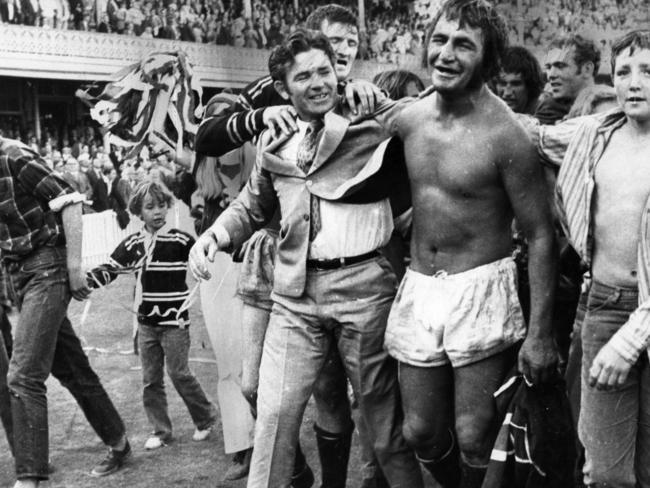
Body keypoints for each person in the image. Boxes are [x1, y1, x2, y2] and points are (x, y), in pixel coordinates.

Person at [189, 28, 422, 488]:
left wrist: (377, 101)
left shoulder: (371, 118)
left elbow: (432, 113)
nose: (318, 83)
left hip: (365, 291)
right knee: (273, 413)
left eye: (325, 70)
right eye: (304, 77)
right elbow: (252, 206)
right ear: (282, 89)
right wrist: (213, 236)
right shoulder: (276, 138)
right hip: (295, 297)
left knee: (383, 423)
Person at [384, 1, 557, 486]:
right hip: (421, 288)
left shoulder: (506, 135)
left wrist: (540, 335)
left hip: (481, 286)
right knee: (419, 429)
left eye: (464, 44)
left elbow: (541, 234)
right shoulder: (409, 120)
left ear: (487, 58)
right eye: (440, 40)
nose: (446, 54)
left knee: (475, 432)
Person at [537, 29, 650, 488]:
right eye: (624, 71)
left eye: (649, 71)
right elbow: (524, 133)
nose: (634, 82)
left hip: (646, 310)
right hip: (603, 305)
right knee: (604, 469)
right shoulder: (594, 133)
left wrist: (633, 338)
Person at [0, 136, 130, 488]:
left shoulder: (15, 157)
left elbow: (70, 202)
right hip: (19, 274)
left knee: (23, 375)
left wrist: (74, 269)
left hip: (47, 268)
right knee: (70, 367)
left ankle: (29, 479)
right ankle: (118, 440)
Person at [87, 180, 218, 450]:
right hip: (146, 323)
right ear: (138, 212)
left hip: (175, 322)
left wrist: (208, 254)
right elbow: (111, 268)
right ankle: (160, 430)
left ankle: (204, 418)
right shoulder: (133, 243)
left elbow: (200, 258)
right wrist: (84, 281)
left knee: (179, 373)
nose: (157, 212)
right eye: (150, 207)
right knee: (150, 379)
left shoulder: (181, 239)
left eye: (161, 205)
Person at [535, 34, 600, 125]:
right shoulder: (550, 108)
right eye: (549, 67)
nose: (551, 75)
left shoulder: (610, 104)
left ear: (587, 69)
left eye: (560, 66)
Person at [494, 45, 544, 115]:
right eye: (502, 84)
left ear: (530, 87)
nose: (507, 93)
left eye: (515, 84)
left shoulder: (545, 116)